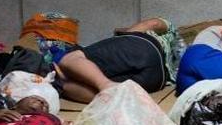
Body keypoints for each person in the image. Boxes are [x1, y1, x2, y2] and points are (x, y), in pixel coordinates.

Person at [56, 17, 196, 102]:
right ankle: (63, 82)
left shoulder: (171, 30)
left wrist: (121, 39)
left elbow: (152, 23)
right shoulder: (187, 63)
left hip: (146, 46)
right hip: (158, 80)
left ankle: (100, 82)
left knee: (69, 58)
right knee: (110, 94)